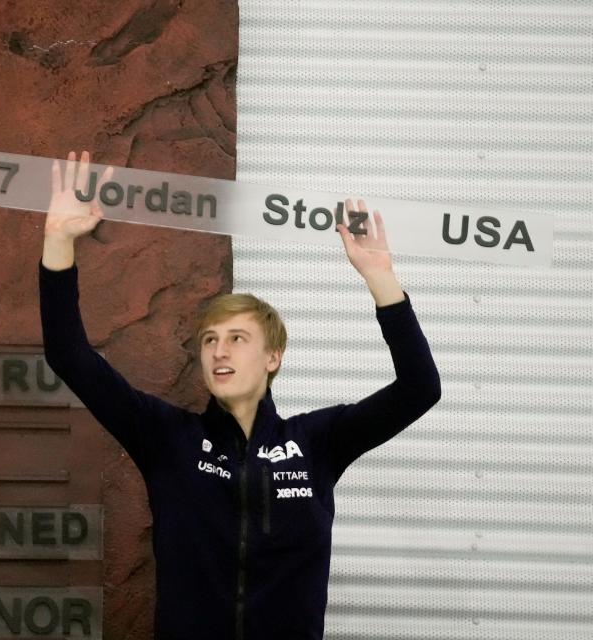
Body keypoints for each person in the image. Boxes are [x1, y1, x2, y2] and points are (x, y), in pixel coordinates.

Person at [39, 151, 441, 640]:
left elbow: (420, 388)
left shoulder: (318, 441)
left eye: (237, 338)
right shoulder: (166, 437)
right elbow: (69, 356)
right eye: (210, 339)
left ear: (273, 357)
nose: (219, 351)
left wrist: (380, 277)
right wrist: (58, 241)